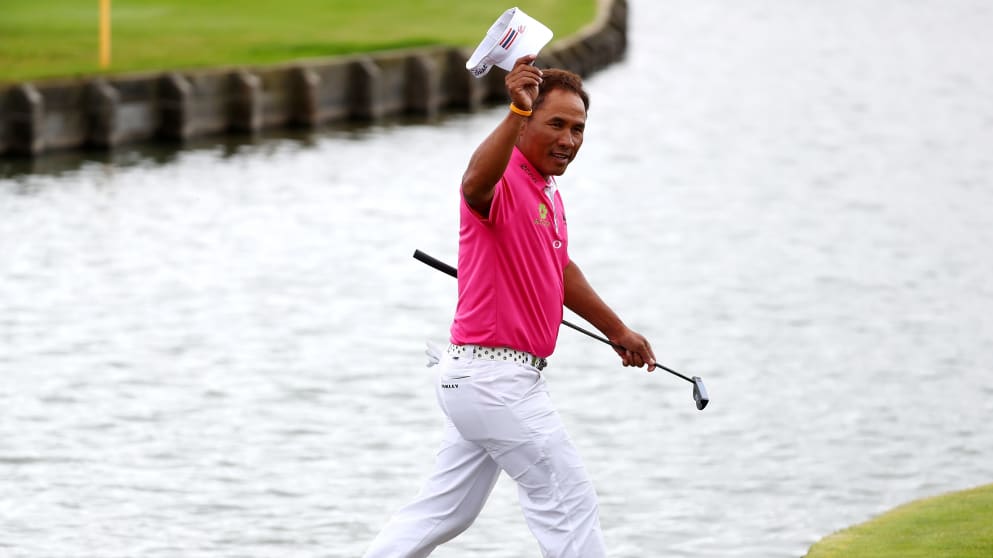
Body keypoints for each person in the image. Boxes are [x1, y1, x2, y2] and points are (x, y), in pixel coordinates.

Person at [363, 55, 657, 558]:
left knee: (443, 510)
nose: (569, 139)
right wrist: (516, 113)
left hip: (476, 380)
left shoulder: (545, 190)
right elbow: (473, 184)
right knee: (569, 502)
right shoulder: (502, 178)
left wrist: (617, 330)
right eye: (556, 124)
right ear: (525, 123)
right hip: (495, 381)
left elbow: (560, 270)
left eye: (578, 128)